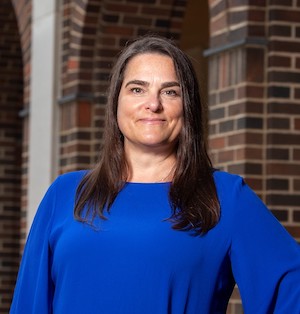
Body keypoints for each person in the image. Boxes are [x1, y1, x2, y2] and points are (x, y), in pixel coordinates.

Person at [10, 35, 300, 314]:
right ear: (116, 102)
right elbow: (29, 304)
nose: (153, 103)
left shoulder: (224, 196)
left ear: (187, 107)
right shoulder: (66, 194)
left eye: (170, 91)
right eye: (137, 89)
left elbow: (291, 287)